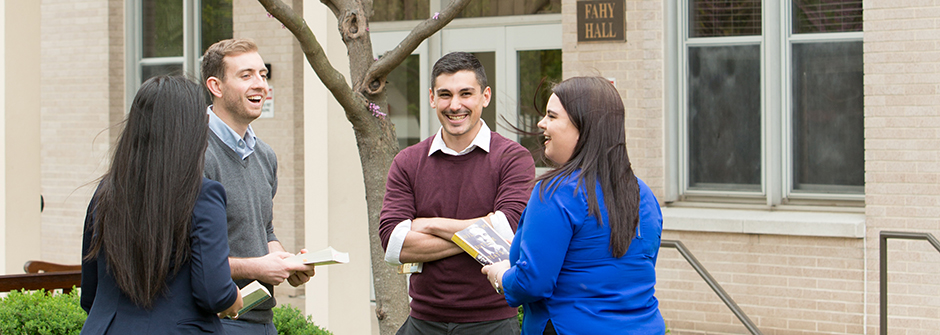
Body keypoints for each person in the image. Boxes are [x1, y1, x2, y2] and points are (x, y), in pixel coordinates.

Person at [482, 76, 666, 334]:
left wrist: (501, 276)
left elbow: (532, 282)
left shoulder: (556, 192)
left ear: (584, 126)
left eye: (552, 116)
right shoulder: (644, 194)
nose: (541, 123)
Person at [379, 51, 536, 334]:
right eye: (445, 95)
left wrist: (429, 225)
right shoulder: (408, 161)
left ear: (485, 97)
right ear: (431, 98)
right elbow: (394, 244)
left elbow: (509, 234)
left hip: (493, 322)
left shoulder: (513, 158)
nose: (455, 105)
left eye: (466, 94)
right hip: (423, 322)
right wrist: (483, 231)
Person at [81, 75, 243, 334]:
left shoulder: (106, 191)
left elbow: (90, 293)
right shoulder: (202, 194)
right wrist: (233, 297)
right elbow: (213, 294)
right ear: (190, 131)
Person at [201, 38, 315, 334]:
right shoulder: (197, 154)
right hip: (219, 320)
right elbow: (189, 254)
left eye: (263, 75)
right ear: (216, 86)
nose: (261, 85)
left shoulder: (265, 155)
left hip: (262, 319)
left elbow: (263, 230)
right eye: (246, 75)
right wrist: (258, 267)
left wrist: (286, 261)